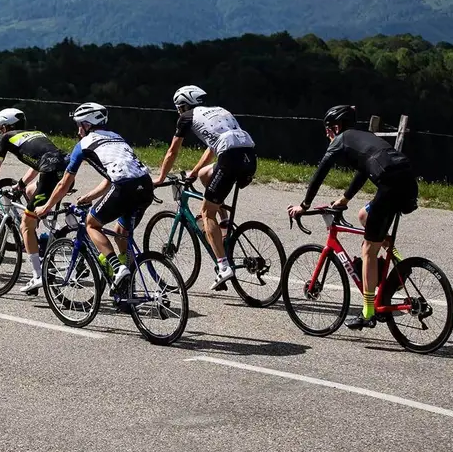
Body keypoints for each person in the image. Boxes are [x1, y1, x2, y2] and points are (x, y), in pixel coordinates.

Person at [287, 105, 419, 331]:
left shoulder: (341, 139)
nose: (327, 135)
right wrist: (346, 199)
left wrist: (304, 205)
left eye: (328, 130)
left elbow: (321, 171)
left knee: (368, 250)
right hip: (406, 179)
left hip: (389, 185)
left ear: (336, 127)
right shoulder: (364, 137)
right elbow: (363, 171)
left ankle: (368, 312)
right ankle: (397, 262)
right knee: (364, 216)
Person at [33, 102, 154, 291]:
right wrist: (90, 196)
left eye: (79, 125)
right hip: (145, 185)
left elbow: (64, 183)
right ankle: (127, 289)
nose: (78, 131)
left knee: (92, 224)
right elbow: (111, 177)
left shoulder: (83, 145)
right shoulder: (117, 137)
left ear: (87, 125)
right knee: (122, 234)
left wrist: (46, 207)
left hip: (124, 187)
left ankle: (117, 267)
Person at [154, 85, 257, 290]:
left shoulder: (186, 117)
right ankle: (225, 225)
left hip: (230, 159)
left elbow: (172, 151)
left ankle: (223, 266)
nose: (179, 111)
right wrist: (193, 173)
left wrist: (160, 177)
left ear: (183, 105)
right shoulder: (220, 111)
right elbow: (213, 148)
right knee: (204, 175)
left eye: (178, 107)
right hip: (250, 158)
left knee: (206, 212)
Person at [0, 107, 67, 295]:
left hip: (50, 172)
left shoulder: (6, 138)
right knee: (30, 190)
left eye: (0, 128)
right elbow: (37, 165)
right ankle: (50, 234)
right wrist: (20, 184)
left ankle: (37, 275)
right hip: (65, 169)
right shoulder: (37, 133)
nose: (0, 132)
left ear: (5, 127)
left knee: (25, 225)